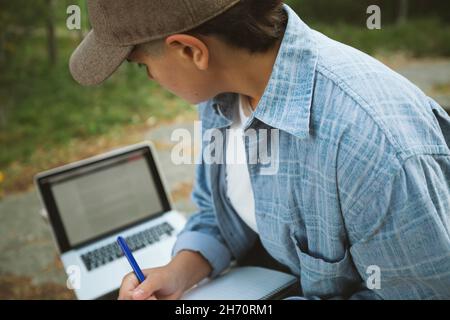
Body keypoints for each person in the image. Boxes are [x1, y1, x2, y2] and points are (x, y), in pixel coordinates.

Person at [69, 0, 450, 300]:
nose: (150, 78)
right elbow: (216, 214)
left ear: (190, 51)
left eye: (141, 66)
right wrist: (179, 272)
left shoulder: (371, 143)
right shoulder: (219, 94)